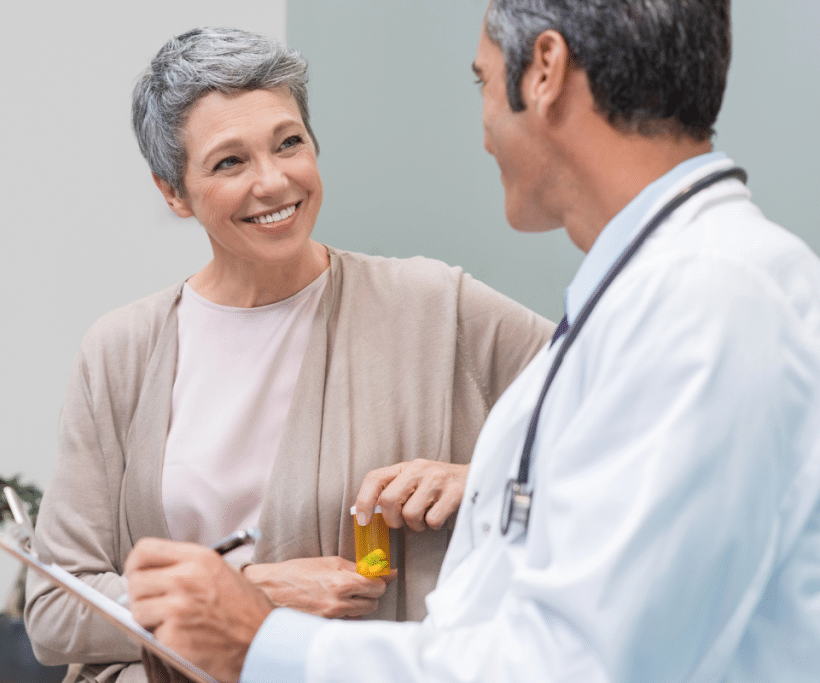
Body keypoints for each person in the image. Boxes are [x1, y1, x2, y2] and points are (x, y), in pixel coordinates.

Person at [122, 2, 820, 682]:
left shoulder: (709, 303)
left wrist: (261, 643)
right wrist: (486, 476)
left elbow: (577, 665)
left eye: (482, 81)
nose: (484, 130)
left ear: (543, 70)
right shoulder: (658, 296)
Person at [24, 27, 552, 683]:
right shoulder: (122, 349)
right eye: (229, 162)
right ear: (173, 192)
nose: (274, 181)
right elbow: (54, 608)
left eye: (288, 143)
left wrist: (481, 477)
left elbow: (627, 425)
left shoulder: (437, 304)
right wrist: (257, 592)